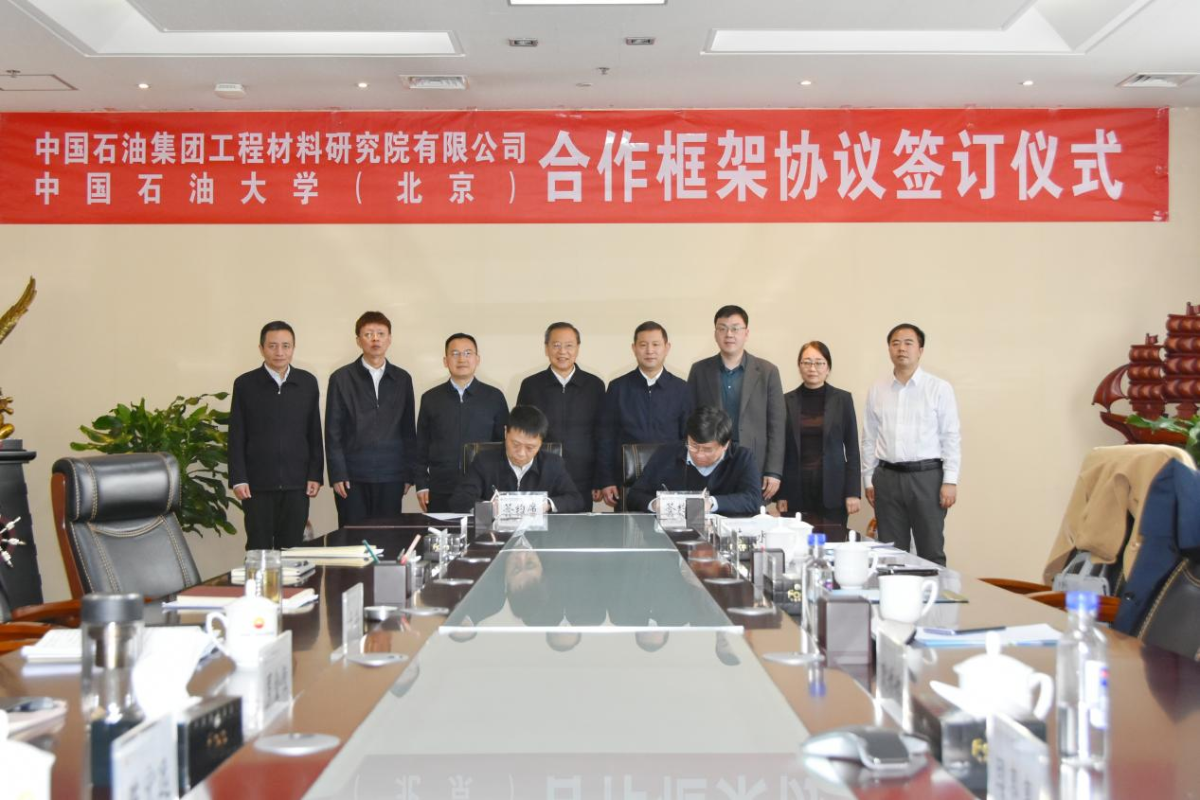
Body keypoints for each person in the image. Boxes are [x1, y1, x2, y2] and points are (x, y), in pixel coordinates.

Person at [862, 323, 961, 566]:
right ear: (889, 349)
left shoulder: (939, 388)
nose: (901, 348)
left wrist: (950, 480)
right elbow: (869, 437)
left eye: (908, 343)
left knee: (931, 551)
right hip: (887, 477)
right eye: (895, 343)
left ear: (920, 350)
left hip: (926, 478)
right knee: (891, 553)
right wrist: (868, 478)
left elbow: (950, 436)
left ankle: (934, 592)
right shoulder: (877, 389)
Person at [228, 321, 323, 549]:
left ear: (293, 348)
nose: (279, 352)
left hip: (297, 484)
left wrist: (315, 474)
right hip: (257, 485)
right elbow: (236, 435)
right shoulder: (245, 384)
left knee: (292, 549)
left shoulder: (307, 382)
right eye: (272, 346)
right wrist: (238, 478)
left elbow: (314, 433)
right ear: (261, 348)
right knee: (258, 547)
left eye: (285, 346)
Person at [325, 311, 417, 527]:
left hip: (391, 474)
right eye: (368, 334)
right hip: (352, 476)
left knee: (388, 537)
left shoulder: (402, 378)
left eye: (380, 334)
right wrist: (337, 474)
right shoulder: (341, 378)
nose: (375, 339)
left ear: (389, 339)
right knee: (353, 537)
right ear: (358, 340)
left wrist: (408, 473)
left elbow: (408, 430)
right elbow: (333, 431)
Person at [687, 305, 785, 503]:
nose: (729, 334)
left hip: (753, 461)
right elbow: (690, 419)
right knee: (709, 512)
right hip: (709, 461)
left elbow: (777, 426)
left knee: (749, 514)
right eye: (722, 328)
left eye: (735, 328)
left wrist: (773, 471)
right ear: (715, 334)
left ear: (746, 333)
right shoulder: (699, 370)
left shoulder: (767, 371)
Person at [595, 321, 693, 508]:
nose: (650, 351)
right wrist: (606, 480)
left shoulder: (682, 389)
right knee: (626, 527)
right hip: (626, 481)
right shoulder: (618, 388)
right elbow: (605, 438)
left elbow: (687, 439)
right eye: (643, 345)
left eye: (656, 344)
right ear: (634, 348)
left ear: (667, 348)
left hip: (671, 480)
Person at [414, 333, 508, 513]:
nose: (462, 359)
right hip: (440, 488)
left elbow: (504, 444)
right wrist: (421, 484)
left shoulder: (494, 397)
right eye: (455, 353)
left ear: (477, 359)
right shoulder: (430, 398)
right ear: (445, 361)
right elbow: (421, 445)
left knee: (483, 532)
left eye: (468, 353)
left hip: (484, 489)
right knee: (441, 531)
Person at [777, 341, 861, 541]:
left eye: (819, 362)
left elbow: (852, 449)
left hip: (833, 489)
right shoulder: (786, 401)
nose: (812, 368)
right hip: (796, 489)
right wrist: (781, 494)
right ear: (799, 366)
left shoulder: (843, 400)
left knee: (833, 543)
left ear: (828, 367)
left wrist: (853, 492)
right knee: (797, 544)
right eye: (806, 362)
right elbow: (781, 450)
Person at [516, 322, 604, 506]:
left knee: (580, 524)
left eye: (569, 345)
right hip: (539, 474)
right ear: (546, 348)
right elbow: (520, 433)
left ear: (577, 348)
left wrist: (600, 478)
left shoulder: (594, 385)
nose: (562, 351)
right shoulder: (530, 385)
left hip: (582, 475)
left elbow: (602, 434)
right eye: (556, 345)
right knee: (539, 522)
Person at [626, 406, 761, 517]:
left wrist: (711, 503)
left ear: (725, 445)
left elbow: (753, 499)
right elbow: (634, 496)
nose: (699, 455)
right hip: (672, 534)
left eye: (708, 450)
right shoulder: (666, 454)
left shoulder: (742, 458)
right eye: (693, 446)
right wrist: (655, 505)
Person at [448, 405, 587, 513]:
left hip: (538, 536)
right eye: (515, 444)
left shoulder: (553, 464)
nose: (521, 453)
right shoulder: (484, 461)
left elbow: (576, 500)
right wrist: (488, 508)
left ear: (541, 443)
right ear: (505, 432)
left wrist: (548, 504)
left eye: (530, 447)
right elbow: (459, 500)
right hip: (494, 535)